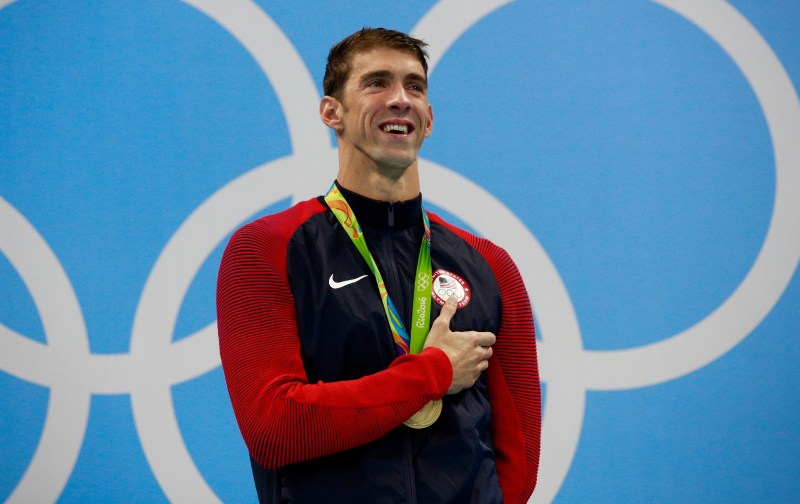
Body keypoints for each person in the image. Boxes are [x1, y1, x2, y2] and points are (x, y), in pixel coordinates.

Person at [217, 27, 541, 503]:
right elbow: (275, 428)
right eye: (377, 83)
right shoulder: (267, 248)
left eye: (415, 86)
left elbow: (521, 453)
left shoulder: (489, 264)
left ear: (429, 119)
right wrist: (431, 373)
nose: (400, 99)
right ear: (332, 113)